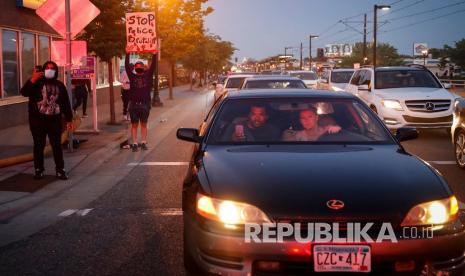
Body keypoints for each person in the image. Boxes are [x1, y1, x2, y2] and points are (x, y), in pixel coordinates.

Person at [20, 62, 73, 180]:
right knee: (39, 145)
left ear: (56, 70)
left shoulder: (59, 85)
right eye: (47, 68)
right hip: (37, 121)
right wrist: (32, 79)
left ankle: (60, 170)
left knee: (56, 146)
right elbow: (24, 92)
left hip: (54, 121)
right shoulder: (37, 83)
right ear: (43, 70)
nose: (50, 70)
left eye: (52, 68)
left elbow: (65, 103)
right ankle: (38, 170)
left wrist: (69, 119)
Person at [125, 53, 156, 152]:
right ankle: (134, 143)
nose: (138, 67)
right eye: (137, 66)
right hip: (134, 105)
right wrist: (127, 53)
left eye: (140, 66)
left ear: (143, 67)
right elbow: (126, 66)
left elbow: (153, 65)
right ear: (134, 68)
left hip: (145, 105)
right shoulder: (132, 76)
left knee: (144, 124)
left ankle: (143, 142)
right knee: (134, 125)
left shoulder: (148, 75)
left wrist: (154, 54)